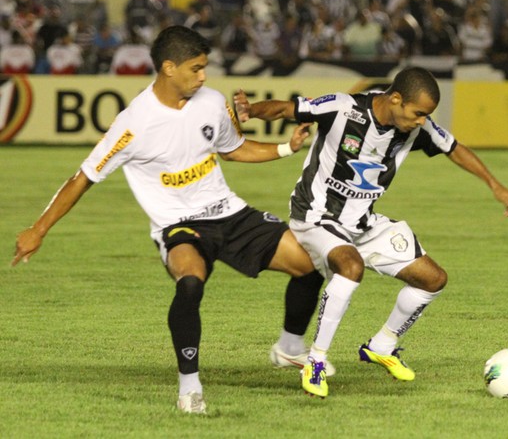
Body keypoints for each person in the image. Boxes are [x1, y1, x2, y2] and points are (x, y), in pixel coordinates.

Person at [12, 25, 334, 414]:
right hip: (178, 224)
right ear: (168, 67)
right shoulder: (134, 122)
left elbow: (233, 149)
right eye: (196, 68)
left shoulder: (212, 102)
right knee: (190, 283)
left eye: (204, 68)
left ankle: (289, 348)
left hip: (229, 212)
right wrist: (38, 228)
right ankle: (189, 387)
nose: (203, 76)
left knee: (312, 262)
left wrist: (286, 147)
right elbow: (83, 178)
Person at [233, 66, 508, 398]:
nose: (422, 121)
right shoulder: (343, 109)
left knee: (433, 279)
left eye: (426, 116)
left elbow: (454, 147)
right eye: (418, 114)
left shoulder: (416, 126)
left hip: (362, 224)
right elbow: (288, 108)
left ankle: (382, 345)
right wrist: (251, 111)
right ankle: (315, 360)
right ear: (396, 99)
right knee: (351, 266)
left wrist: (494, 185)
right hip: (316, 216)